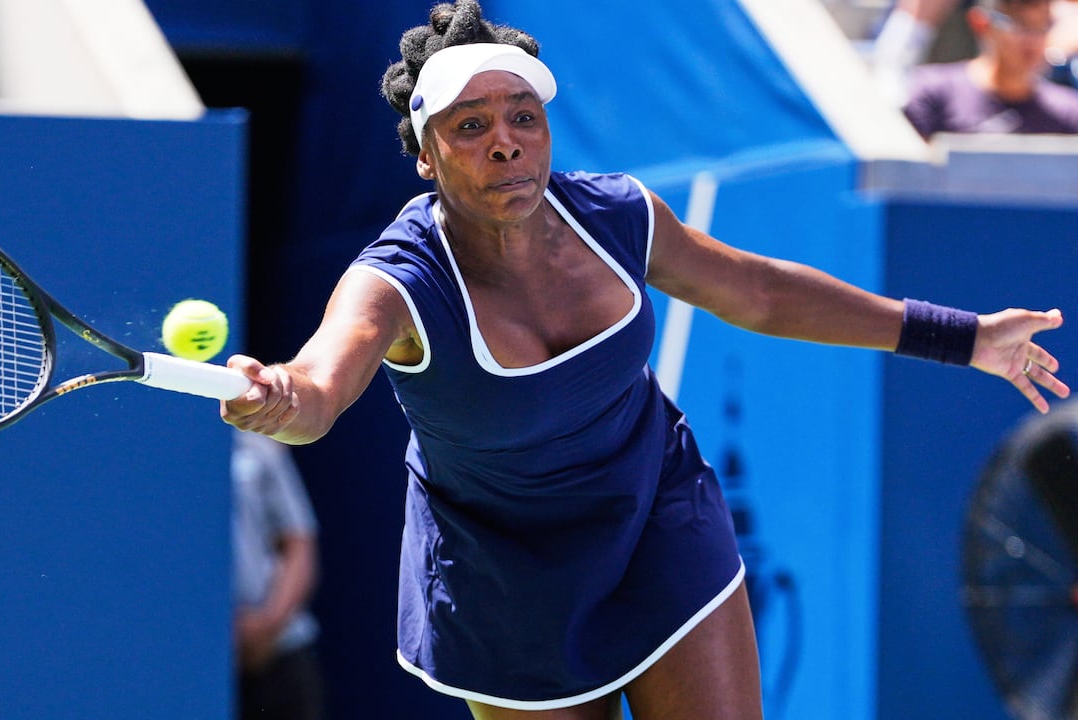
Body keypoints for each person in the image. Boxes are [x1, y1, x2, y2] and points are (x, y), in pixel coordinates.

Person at [219, 1, 1070, 717]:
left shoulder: (620, 215)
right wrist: (280, 394)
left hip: (656, 515)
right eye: (470, 127)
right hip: (503, 575)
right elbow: (319, 386)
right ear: (425, 154)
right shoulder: (396, 281)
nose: (506, 142)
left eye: (523, 116)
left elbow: (760, 291)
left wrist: (960, 336)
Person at [230, 429, 324, 720]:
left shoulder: (256, 444)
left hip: (278, 652)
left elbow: (299, 544)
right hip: (195, 662)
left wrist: (266, 625)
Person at [903, 0, 1078, 138]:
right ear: (981, 23)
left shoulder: (1067, 111)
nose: (1032, 39)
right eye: (1019, 24)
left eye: (1041, 26)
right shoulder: (932, 92)